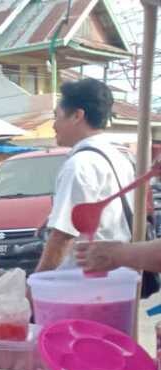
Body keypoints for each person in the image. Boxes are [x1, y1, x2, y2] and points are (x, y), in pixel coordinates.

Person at [35, 78, 135, 272]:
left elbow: (63, 237)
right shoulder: (120, 156)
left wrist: (36, 285)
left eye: (57, 116)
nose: (54, 125)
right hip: (118, 275)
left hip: (85, 281)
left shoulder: (79, 165)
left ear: (77, 116)